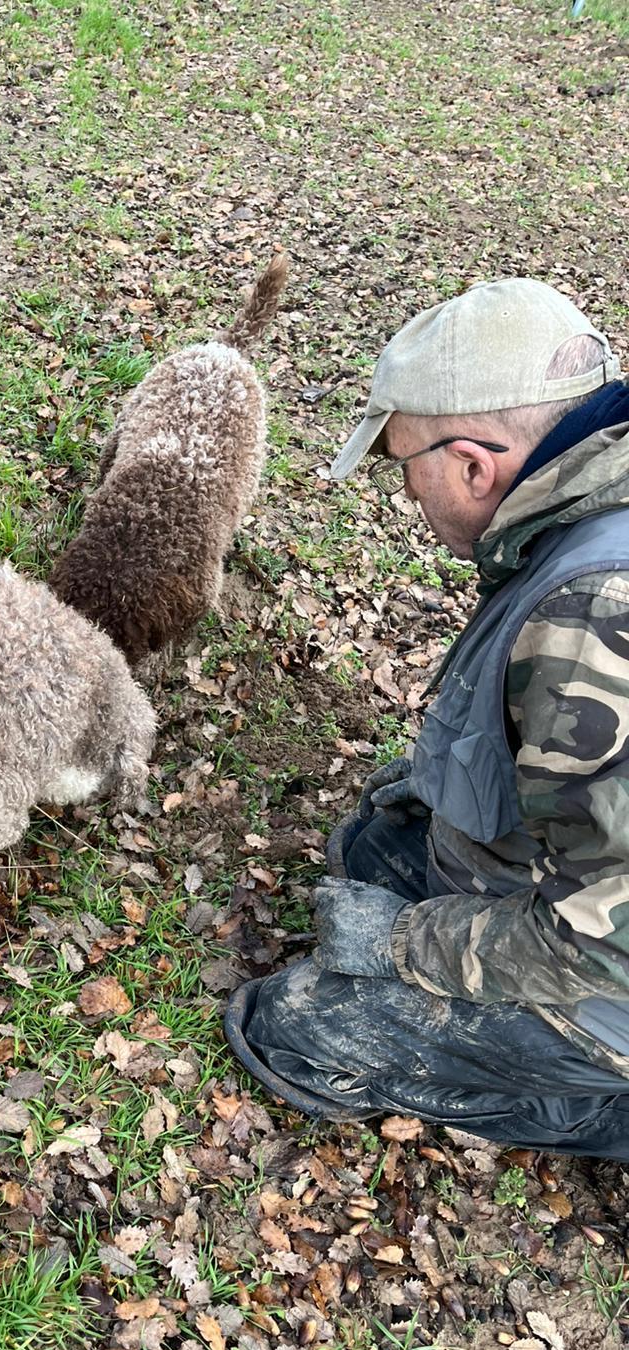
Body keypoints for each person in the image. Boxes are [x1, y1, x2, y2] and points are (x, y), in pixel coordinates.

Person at [223, 278, 629, 1159]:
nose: (406, 495)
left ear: (475, 465)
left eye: (407, 466)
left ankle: (600, 1107)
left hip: (609, 980)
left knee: (293, 1026)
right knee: (371, 844)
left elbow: (609, 944)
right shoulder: (588, 509)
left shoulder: (595, 613)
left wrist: (406, 942)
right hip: (575, 896)